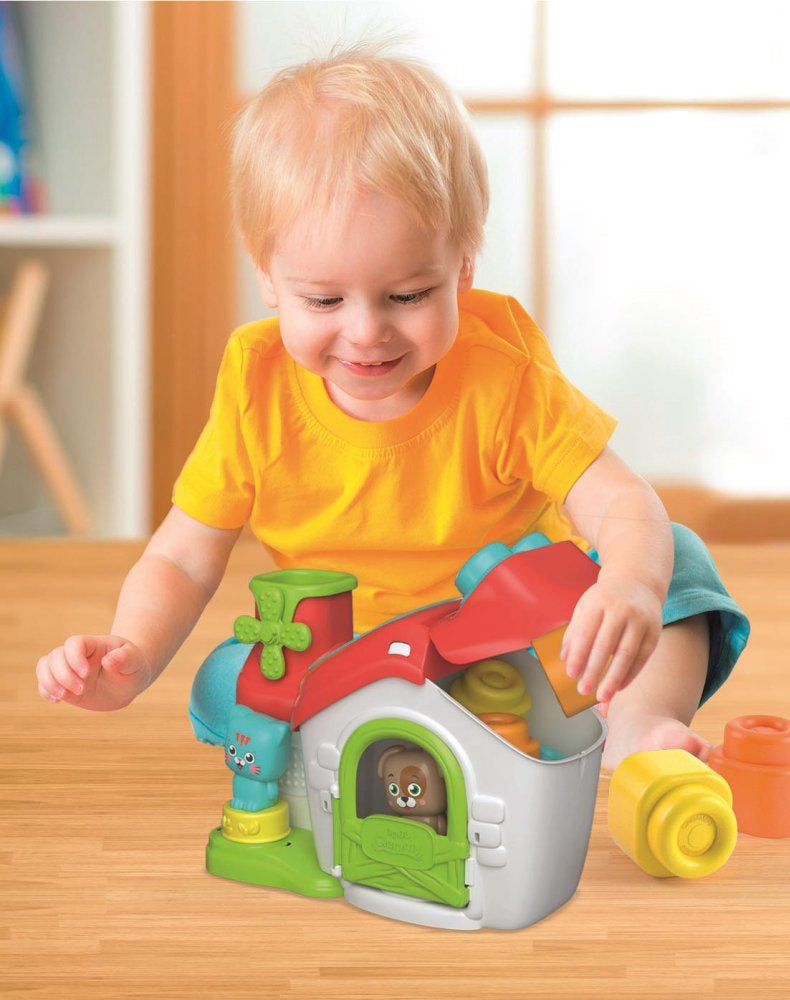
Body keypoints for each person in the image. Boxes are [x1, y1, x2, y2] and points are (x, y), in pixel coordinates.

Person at [35, 46, 748, 771]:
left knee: (673, 561)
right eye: (324, 300)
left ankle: (633, 729)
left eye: (407, 295)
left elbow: (619, 499)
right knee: (225, 681)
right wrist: (132, 651)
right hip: (349, 654)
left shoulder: (502, 374)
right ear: (268, 276)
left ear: (462, 266)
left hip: (514, 641)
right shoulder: (256, 384)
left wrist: (628, 585)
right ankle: (407, 735)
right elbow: (184, 559)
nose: (366, 331)